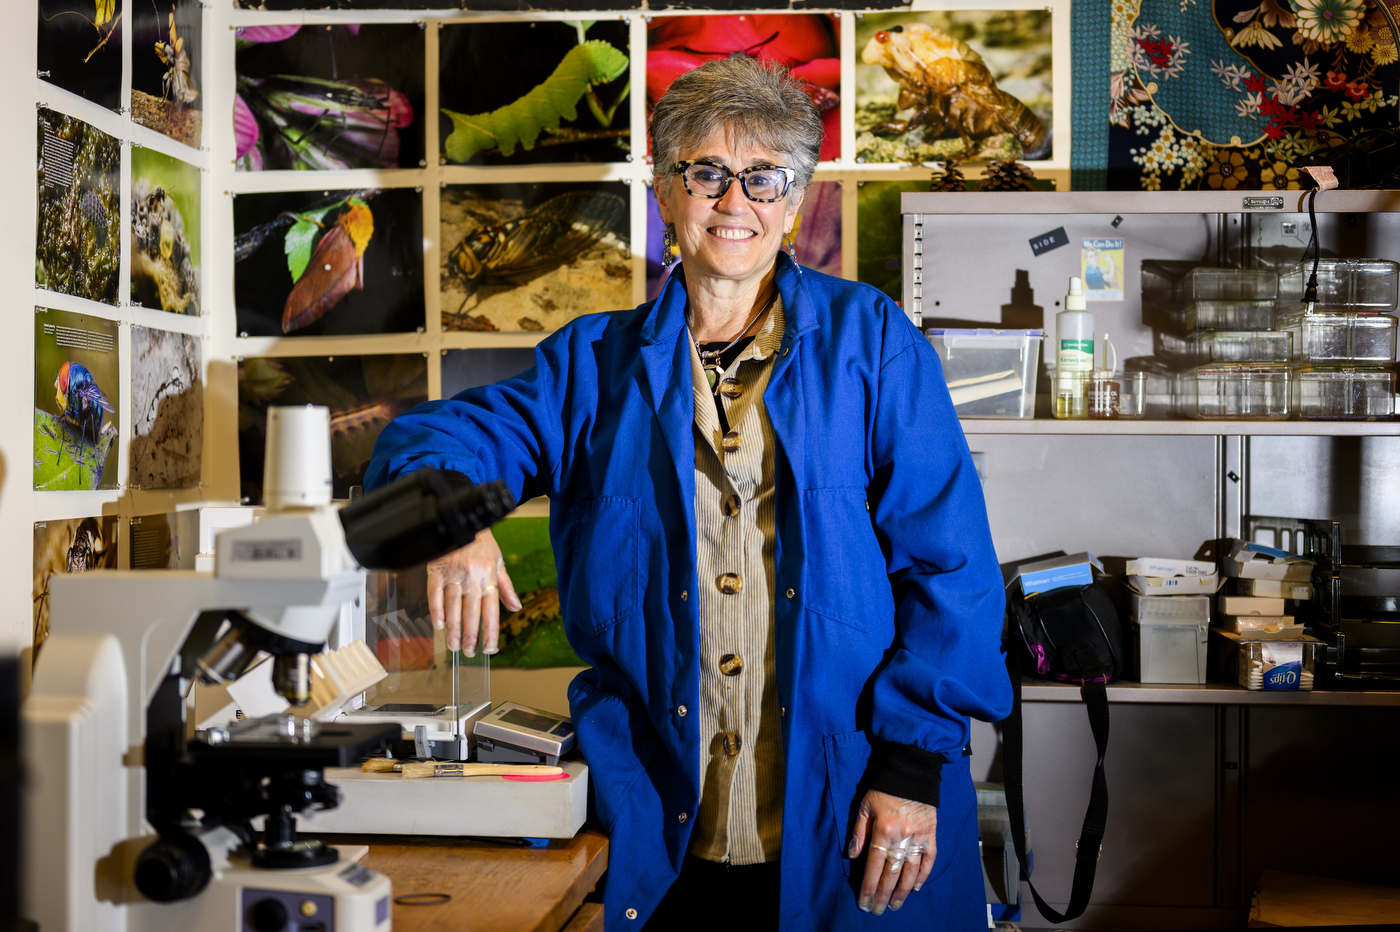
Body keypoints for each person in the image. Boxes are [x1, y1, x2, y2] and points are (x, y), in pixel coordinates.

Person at [365, 56, 1011, 930]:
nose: (733, 201)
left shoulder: (875, 343)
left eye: (763, 178)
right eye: (706, 172)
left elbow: (952, 567)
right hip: (655, 831)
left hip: (854, 810)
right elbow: (441, 438)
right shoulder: (590, 363)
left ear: (794, 201)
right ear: (666, 194)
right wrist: (450, 510)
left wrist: (913, 764)